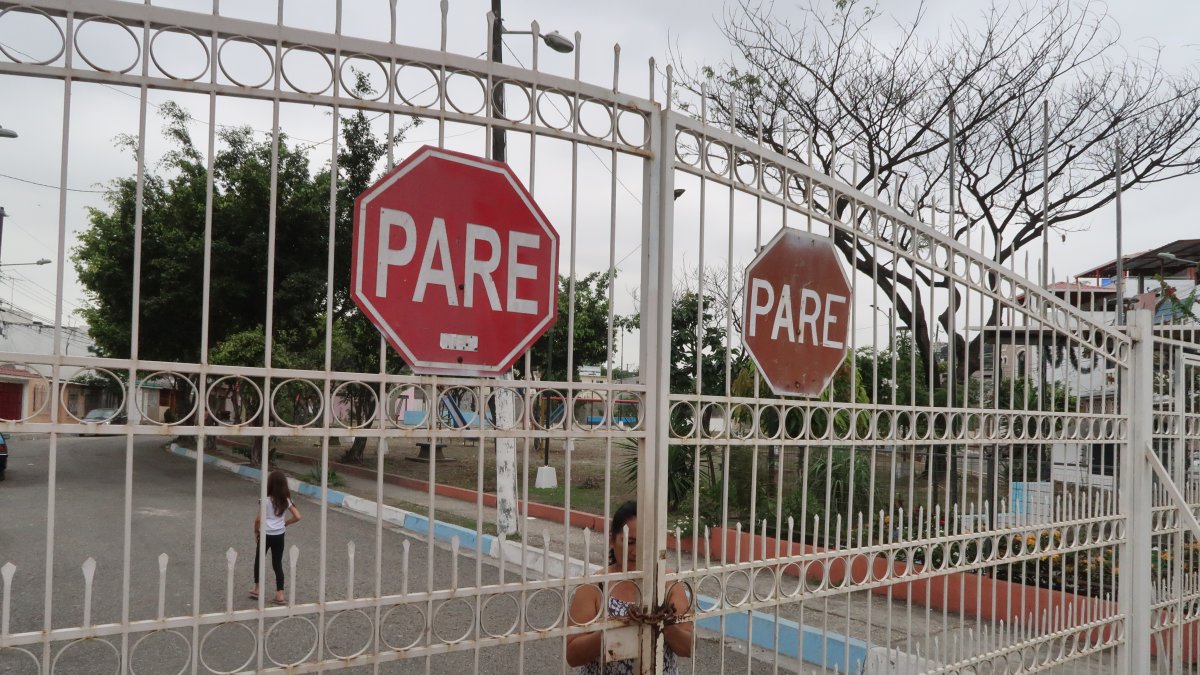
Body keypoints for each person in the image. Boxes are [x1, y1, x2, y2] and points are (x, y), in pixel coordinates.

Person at [566, 501, 693, 673]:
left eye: (644, 543)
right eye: (630, 542)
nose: (636, 551)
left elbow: (689, 647)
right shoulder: (595, 586)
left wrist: (665, 625)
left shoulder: (669, 584)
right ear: (612, 540)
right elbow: (572, 655)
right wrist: (616, 629)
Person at [249, 470, 301, 605]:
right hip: (279, 535)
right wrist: (286, 523)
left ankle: (257, 588)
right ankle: (280, 593)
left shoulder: (265, 500)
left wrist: (256, 532)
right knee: (277, 563)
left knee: (259, 560)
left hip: (265, 534)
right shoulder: (287, 500)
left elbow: (258, 519)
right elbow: (298, 516)